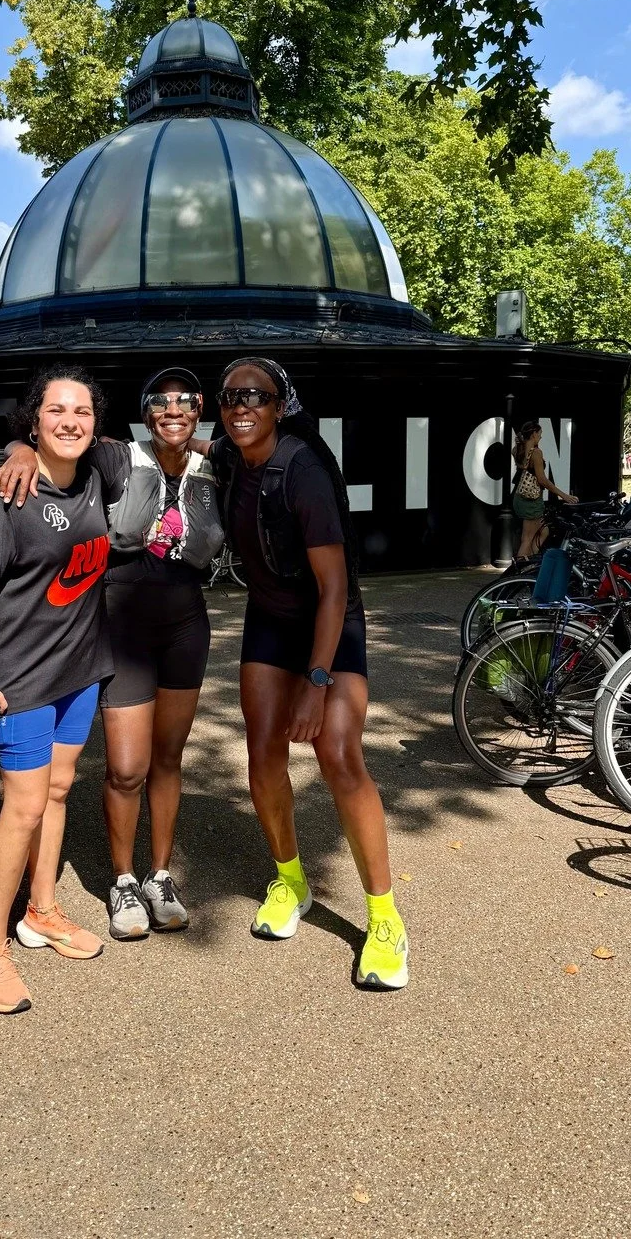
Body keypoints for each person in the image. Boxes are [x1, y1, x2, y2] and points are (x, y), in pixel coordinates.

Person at [0, 368, 224, 941]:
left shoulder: (219, 463)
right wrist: (19, 448)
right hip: (121, 628)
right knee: (126, 769)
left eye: (186, 402)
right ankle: (122, 879)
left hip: (186, 628)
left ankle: (160, 874)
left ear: (199, 411)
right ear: (145, 412)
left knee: (168, 762)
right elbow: (53, 438)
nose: (174, 410)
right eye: (161, 401)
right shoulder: (118, 458)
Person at [209, 356, 408, 990]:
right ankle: (290, 881)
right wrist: (23, 444)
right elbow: (137, 443)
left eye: (257, 397)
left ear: (280, 406)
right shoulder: (228, 457)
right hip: (270, 619)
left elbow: (333, 588)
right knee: (262, 753)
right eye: (231, 396)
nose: (242, 407)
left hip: (330, 619)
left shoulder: (306, 472)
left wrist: (316, 682)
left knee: (340, 754)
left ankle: (384, 920)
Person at [0, 365, 114, 1015]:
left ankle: (41, 912)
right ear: (34, 420)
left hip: (80, 675)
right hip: (19, 684)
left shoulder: (98, 477)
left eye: (82, 412)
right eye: (56, 412)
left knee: (59, 792)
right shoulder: (4, 497)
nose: (70, 421)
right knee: (21, 810)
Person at [511, 421, 578, 560]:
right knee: (527, 539)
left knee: (544, 531)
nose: (540, 437)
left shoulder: (517, 450)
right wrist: (564, 495)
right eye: (540, 434)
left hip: (521, 498)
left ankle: (529, 562)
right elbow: (542, 480)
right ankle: (519, 572)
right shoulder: (536, 453)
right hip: (531, 501)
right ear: (534, 434)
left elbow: (521, 464)